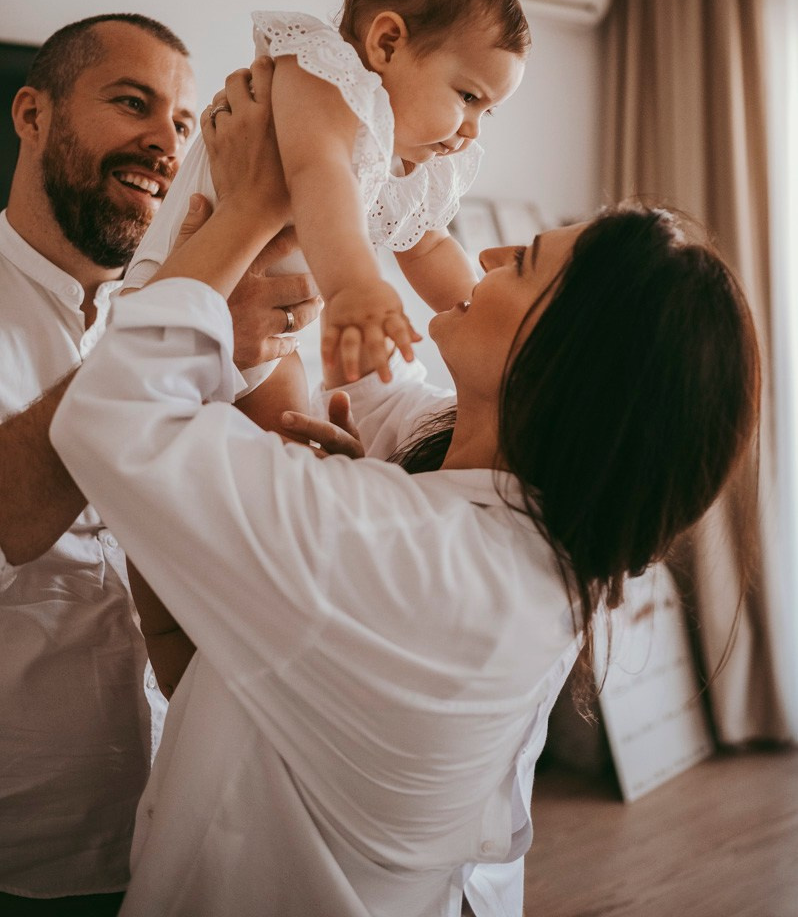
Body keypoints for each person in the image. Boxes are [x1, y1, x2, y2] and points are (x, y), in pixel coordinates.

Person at [49, 58, 761, 917]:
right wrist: (320, 181)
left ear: (564, 365)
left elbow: (113, 413)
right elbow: (377, 387)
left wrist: (248, 207)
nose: (491, 252)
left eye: (526, 261)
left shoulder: (421, 558)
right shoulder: (505, 501)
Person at [0, 16, 321, 912]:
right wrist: (186, 305)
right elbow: (9, 516)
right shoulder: (186, 306)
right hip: (21, 850)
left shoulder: (200, 305)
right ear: (33, 114)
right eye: (130, 103)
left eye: (183, 124)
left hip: (179, 830)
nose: (163, 142)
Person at [123, 0, 530, 401]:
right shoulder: (323, 72)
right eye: (468, 97)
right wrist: (354, 287)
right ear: (388, 42)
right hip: (176, 278)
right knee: (143, 405)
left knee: (293, 439)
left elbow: (427, 245)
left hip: (268, 344)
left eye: (487, 111)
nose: (474, 128)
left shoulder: (400, 155)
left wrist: (478, 308)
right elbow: (320, 173)